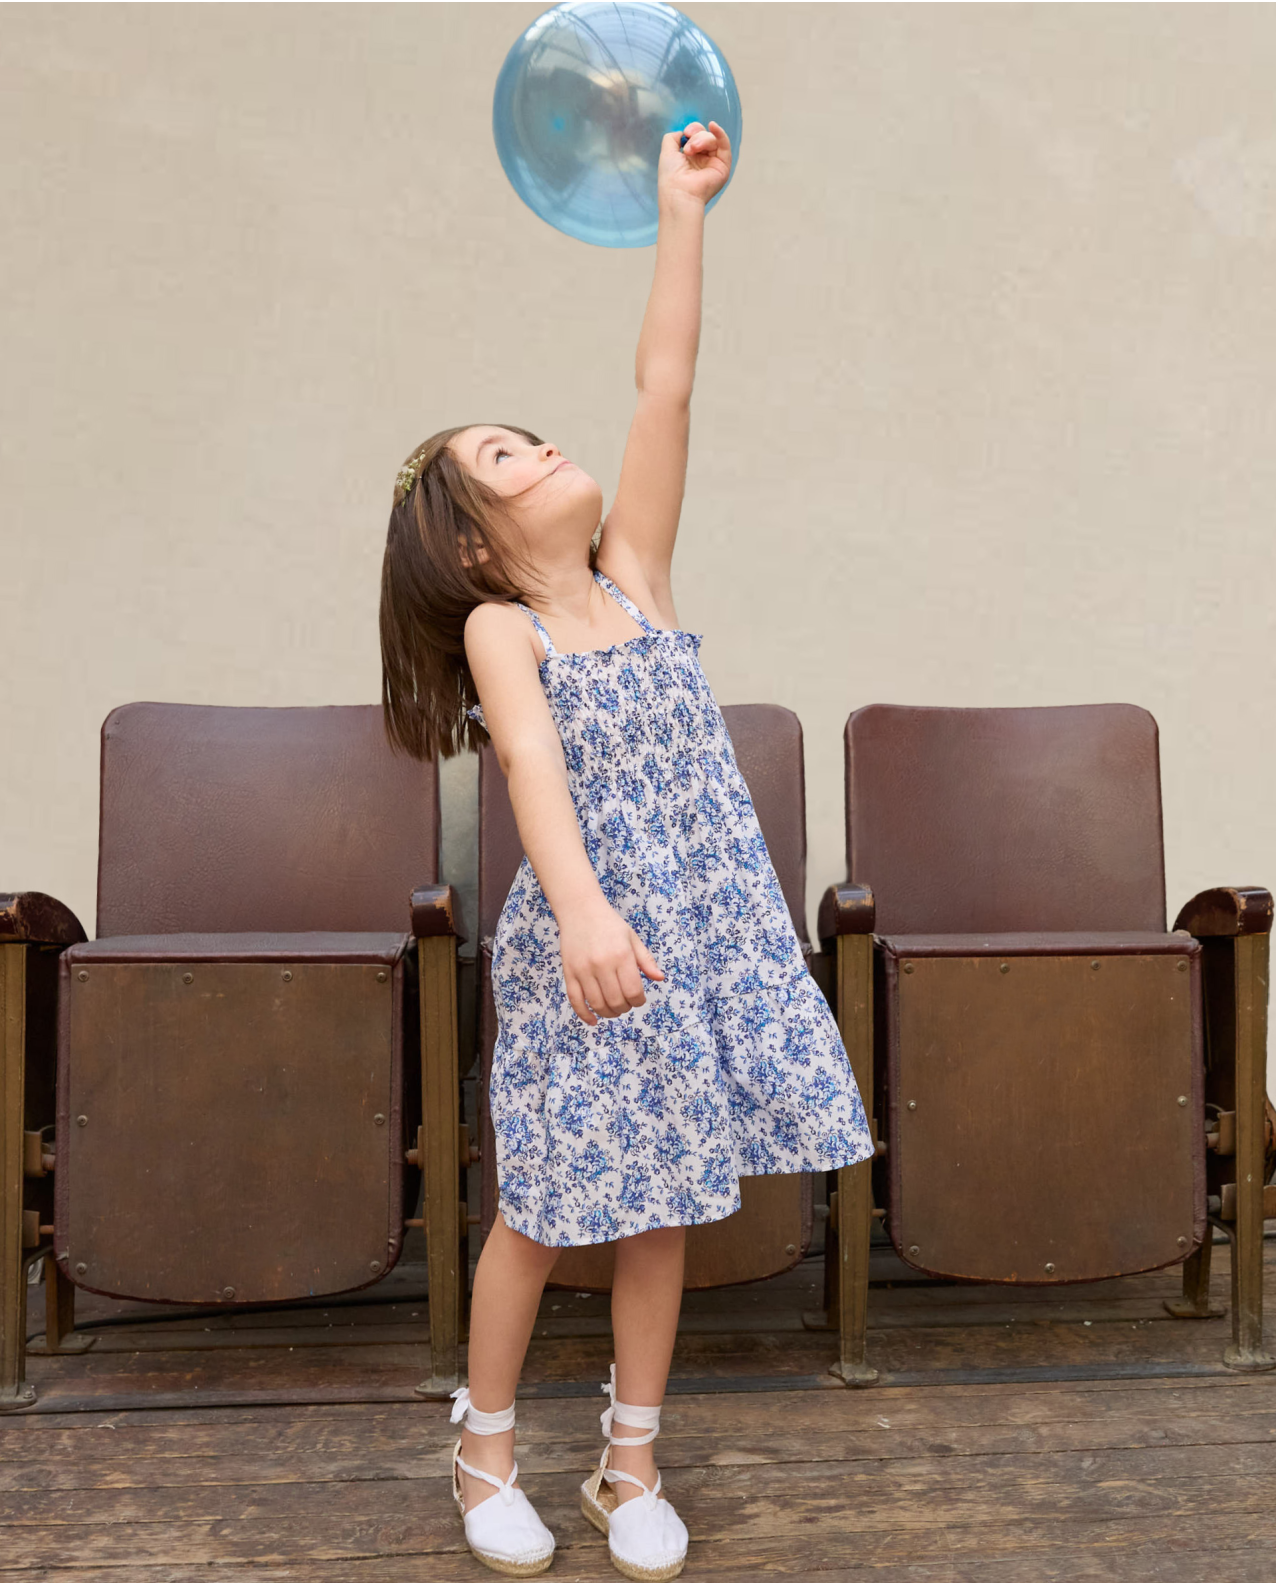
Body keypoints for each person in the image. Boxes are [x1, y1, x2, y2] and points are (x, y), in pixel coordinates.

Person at [379, 119, 872, 1583]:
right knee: (541, 1206)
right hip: (586, 942)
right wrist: (584, 913)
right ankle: (482, 1450)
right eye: (507, 458)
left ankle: (630, 1458)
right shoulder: (499, 626)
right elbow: (529, 764)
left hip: (696, 931)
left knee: (664, 1202)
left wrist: (681, 209)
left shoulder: (637, 581)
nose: (548, 450)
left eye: (534, 434)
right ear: (474, 541)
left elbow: (667, 383)